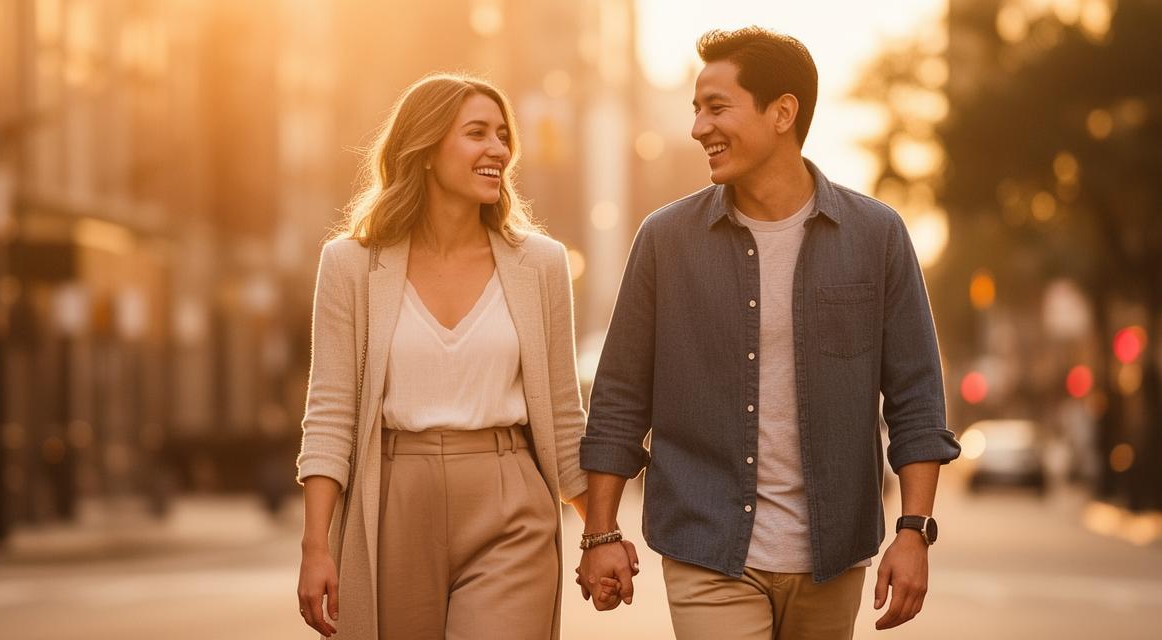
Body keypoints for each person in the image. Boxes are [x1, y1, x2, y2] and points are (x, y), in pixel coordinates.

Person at [575, 27, 961, 639]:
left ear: (783, 112)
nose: (699, 127)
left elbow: (916, 398)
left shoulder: (876, 236)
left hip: (832, 555)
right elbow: (619, 397)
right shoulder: (665, 241)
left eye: (717, 107)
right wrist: (599, 533)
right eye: (696, 109)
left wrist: (914, 532)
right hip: (706, 544)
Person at [292, 72, 634, 639]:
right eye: (477, 133)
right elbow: (329, 414)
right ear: (425, 149)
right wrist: (316, 546)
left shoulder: (541, 264)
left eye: (503, 136)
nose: (498, 149)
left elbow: (563, 413)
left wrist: (599, 535)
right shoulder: (351, 265)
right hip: (393, 504)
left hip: (510, 502)